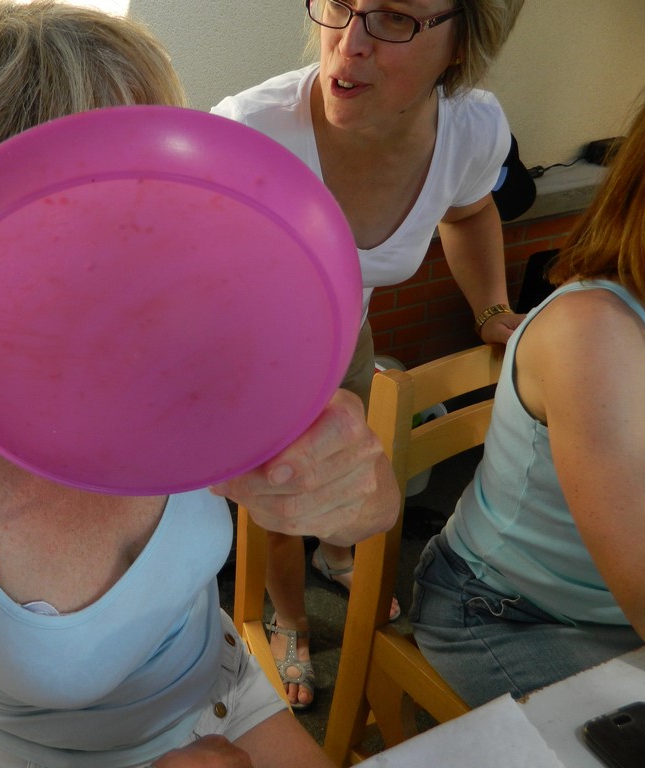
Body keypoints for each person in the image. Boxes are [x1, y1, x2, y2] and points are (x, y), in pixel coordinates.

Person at [0, 3, 399, 767]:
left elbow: (372, 509)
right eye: (95, 208)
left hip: (227, 694)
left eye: (156, 190)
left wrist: (353, 492)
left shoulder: (175, 347)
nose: (157, 237)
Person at [210, 0, 524, 708]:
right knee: (285, 500)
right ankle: (289, 621)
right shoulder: (248, 133)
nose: (348, 43)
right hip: (249, 353)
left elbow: (471, 211)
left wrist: (493, 308)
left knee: (350, 477)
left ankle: (337, 554)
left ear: (461, 44)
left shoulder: (471, 129)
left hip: (347, 334)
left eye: (393, 18)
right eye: (339, 6)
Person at [410, 86, 645, 707]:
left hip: (606, 612)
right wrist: (491, 311)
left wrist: (492, 313)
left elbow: (470, 210)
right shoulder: (596, 334)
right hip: (507, 610)